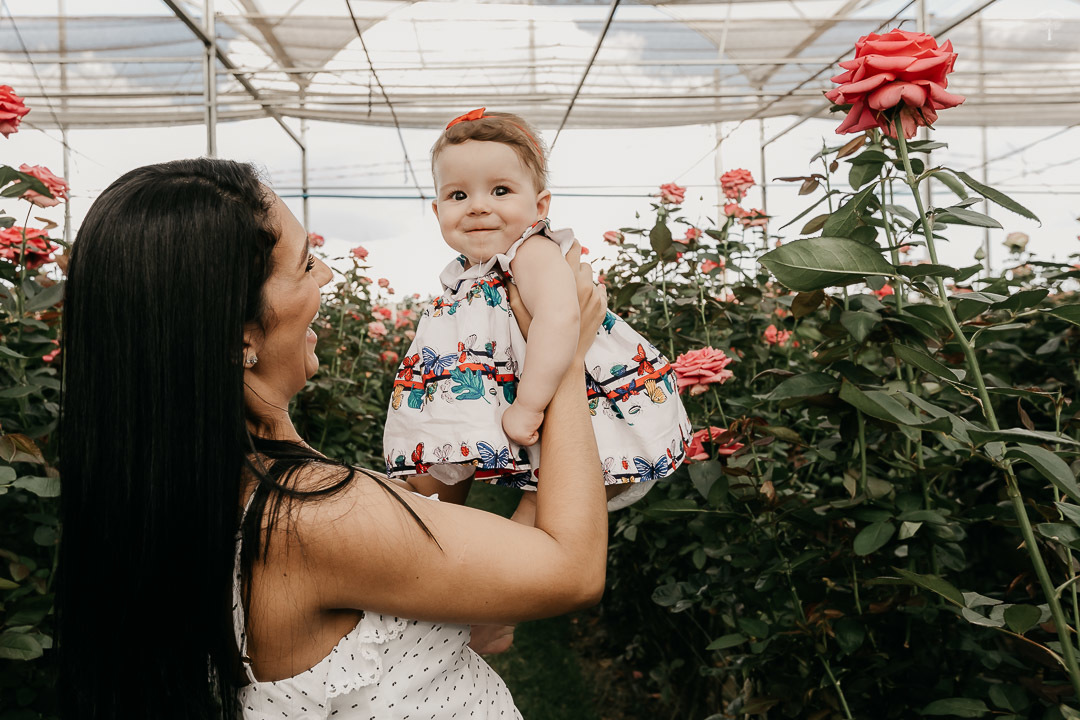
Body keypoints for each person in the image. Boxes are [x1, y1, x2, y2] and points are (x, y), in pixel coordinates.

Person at [57, 158, 609, 719]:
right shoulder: (310, 517)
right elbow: (573, 569)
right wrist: (563, 358)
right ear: (240, 335)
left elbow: (416, 535)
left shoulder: (192, 491)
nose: (324, 275)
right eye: (304, 264)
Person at [383, 109, 692, 514]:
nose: (477, 206)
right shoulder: (474, 272)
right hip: (534, 405)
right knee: (470, 502)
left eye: (500, 190)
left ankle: (469, 535)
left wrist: (527, 406)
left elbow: (559, 318)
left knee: (543, 513)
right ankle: (421, 509)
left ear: (540, 205)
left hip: (587, 409)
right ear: (438, 211)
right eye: (458, 195)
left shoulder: (531, 251)